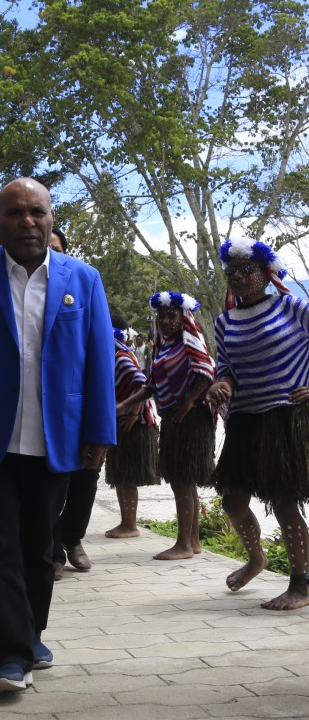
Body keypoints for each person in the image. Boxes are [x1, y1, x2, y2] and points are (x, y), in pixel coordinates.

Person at [0, 177, 115, 695]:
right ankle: (9, 655)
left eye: (37, 212)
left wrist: (100, 432)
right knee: (0, 542)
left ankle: (31, 634)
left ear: (52, 219)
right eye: (14, 212)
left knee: (40, 546)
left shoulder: (84, 279)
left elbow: (99, 362)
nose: (27, 221)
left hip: (56, 438)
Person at [207, 237, 309, 610]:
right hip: (244, 421)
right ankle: (256, 559)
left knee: (284, 501)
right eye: (231, 270)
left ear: (266, 273)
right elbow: (226, 368)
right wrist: (222, 385)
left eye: (246, 269)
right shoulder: (224, 322)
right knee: (233, 501)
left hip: (284, 418)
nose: (237, 276)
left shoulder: (292, 307)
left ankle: (301, 584)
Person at [120, 292, 215, 560]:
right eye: (161, 316)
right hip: (176, 417)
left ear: (183, 317)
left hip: (190, 419)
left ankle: (184, 544)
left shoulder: (189, 341)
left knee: (182, 480)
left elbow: (207, 372)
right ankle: (192, 542)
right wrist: (123, 404)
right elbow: (151, 386)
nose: (165, 321)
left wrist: (189, 402)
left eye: (171, 315)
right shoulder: (164, 346)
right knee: (183, 481)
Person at [47, 228, 100, 578]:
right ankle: (52, 550)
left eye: (55, 248)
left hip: (79, 409)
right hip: (44, 414)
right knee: (51, 485)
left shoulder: (84, 282)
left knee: (85, 479)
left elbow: (99, 356)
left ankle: (73, 537)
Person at [103, 315, 160, 539]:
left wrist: (134, 412)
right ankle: (126, 522)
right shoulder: (119, 355)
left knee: (126, 476)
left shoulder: (121, 358)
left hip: (134, 424)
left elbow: (141, 383)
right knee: (121, 475)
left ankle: (130, 525)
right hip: (126, 423)